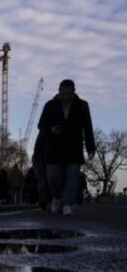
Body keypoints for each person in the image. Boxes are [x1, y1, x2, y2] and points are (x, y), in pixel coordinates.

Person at [36, 79, 96, 215]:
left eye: (69, 94)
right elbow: (41, 125)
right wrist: (50, 130)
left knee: (72, 178)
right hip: (54, 148)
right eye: (63, 94)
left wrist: (91, 146)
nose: (66, 97)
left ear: (74, 92)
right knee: (52, 176)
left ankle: (67, 204)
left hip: (74, 148)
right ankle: (57, 197)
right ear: (59, 91)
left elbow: (88, 127)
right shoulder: (50, 105)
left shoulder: (82, 105)